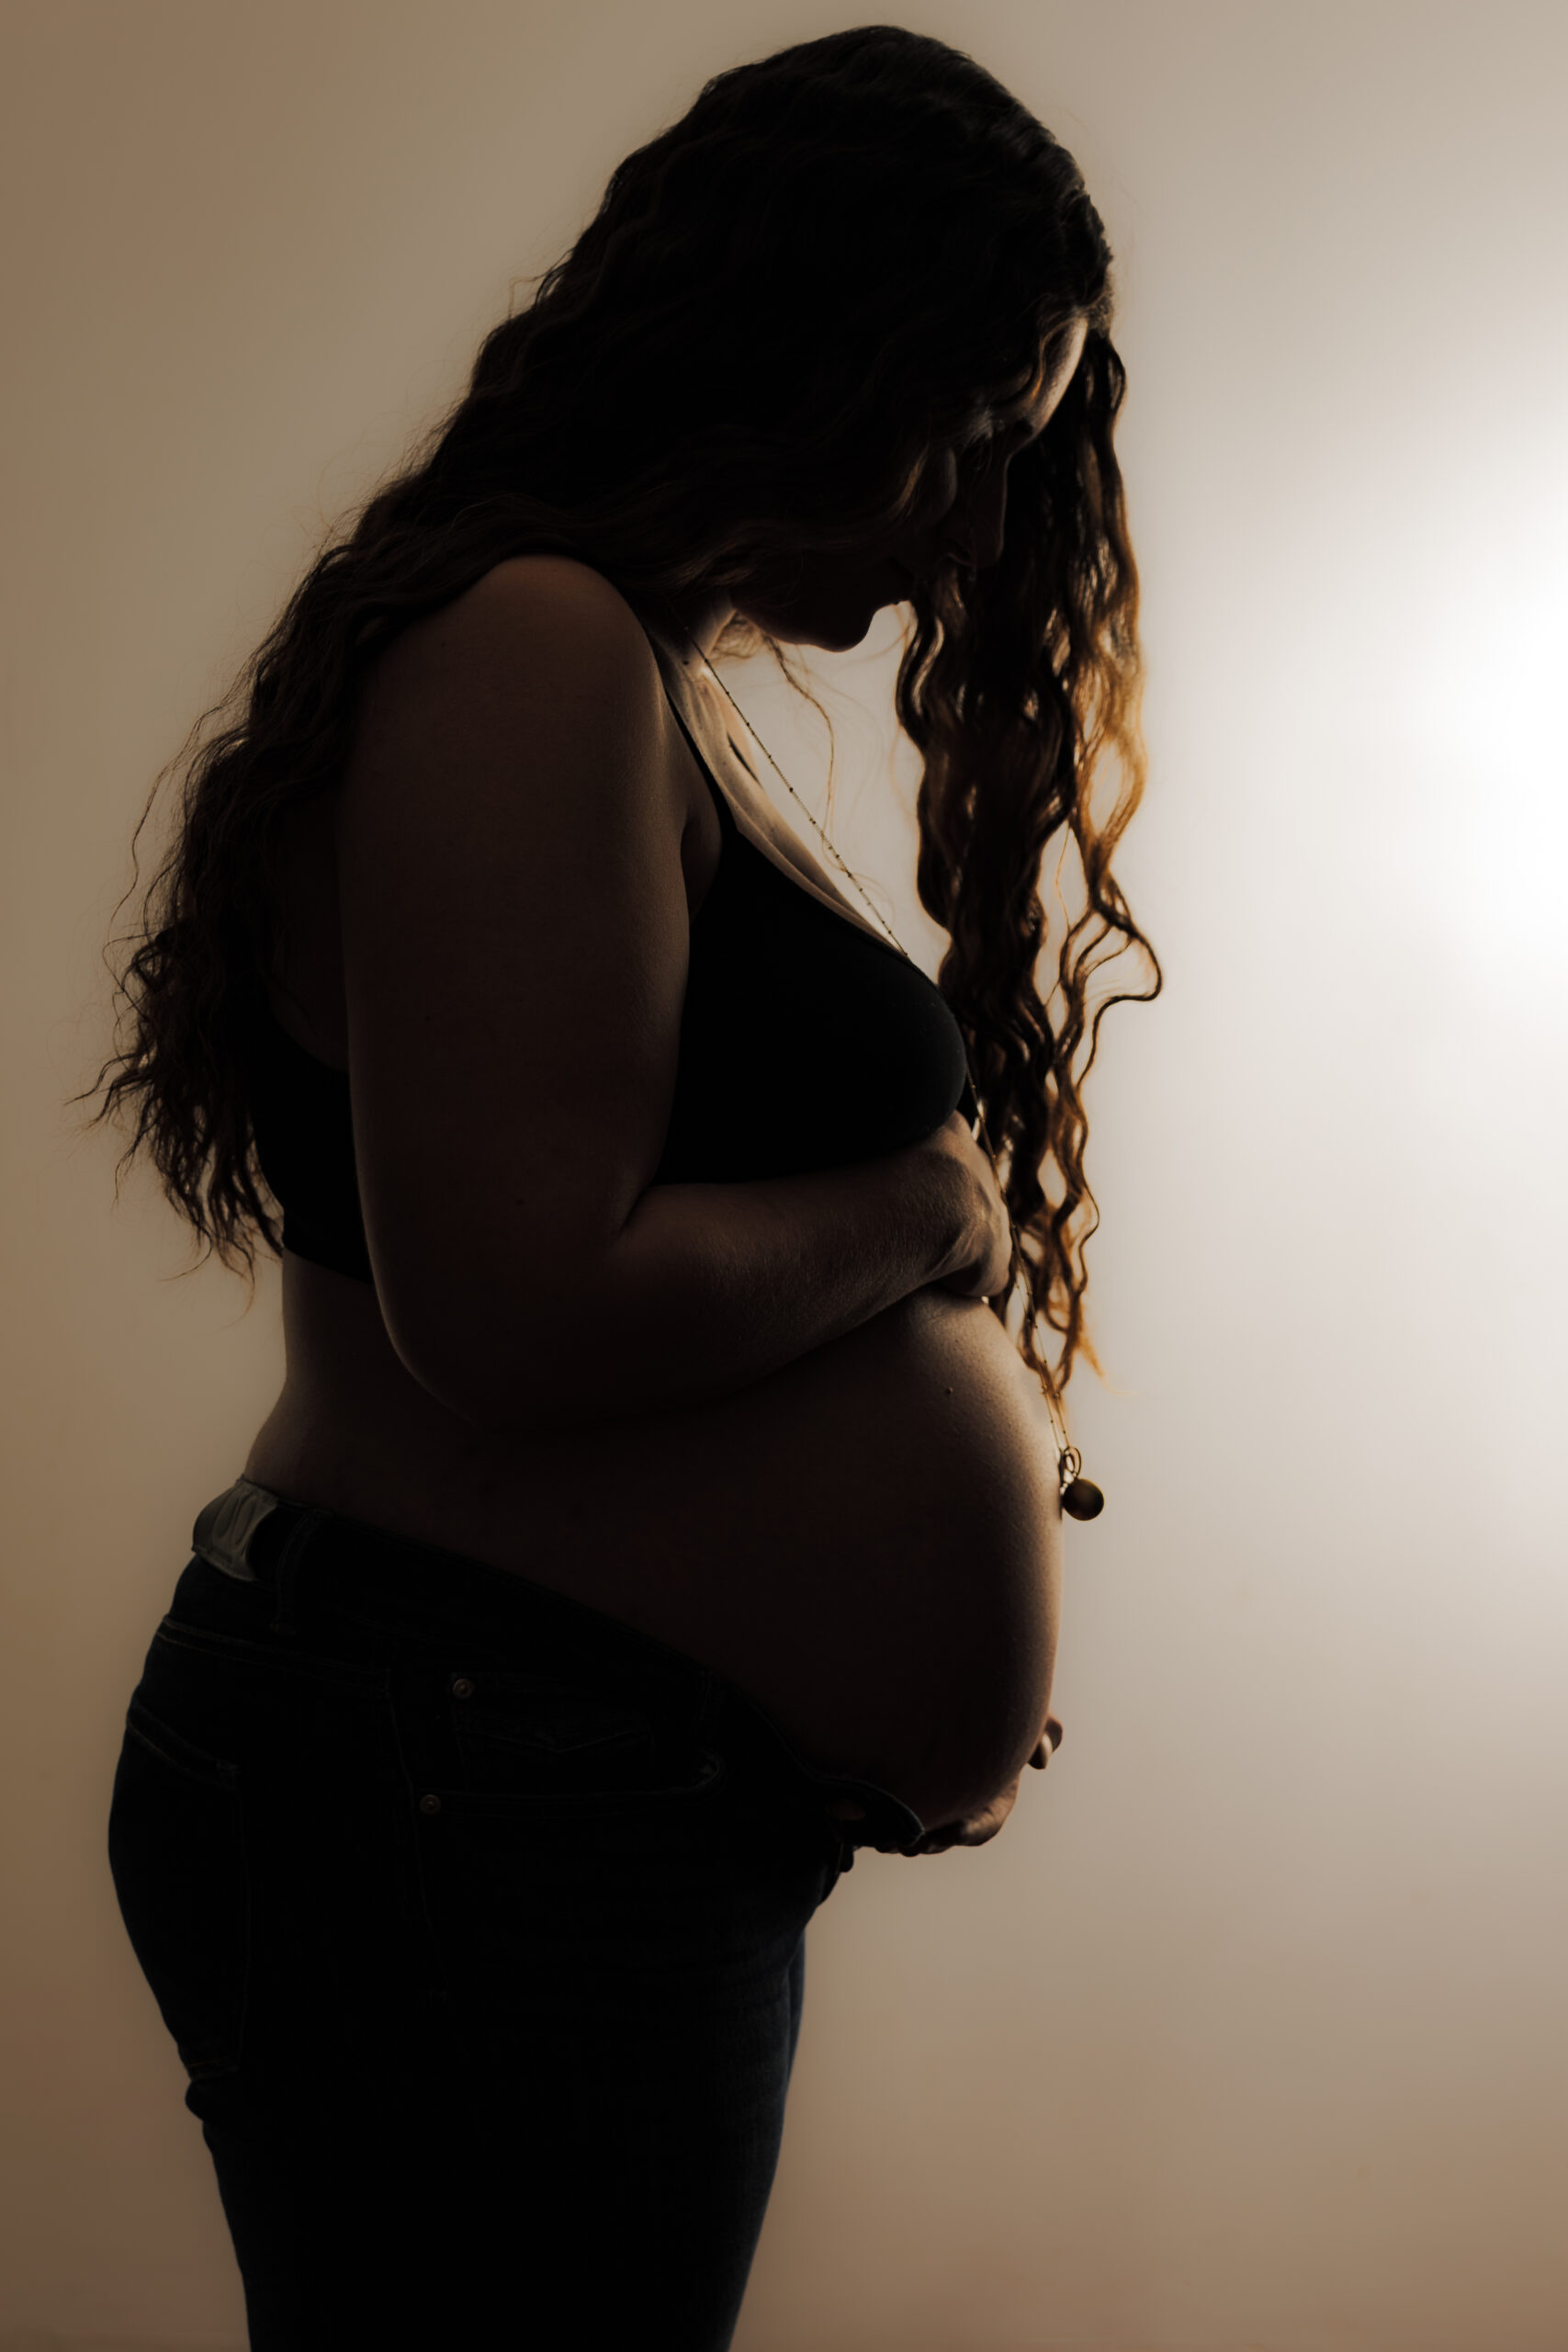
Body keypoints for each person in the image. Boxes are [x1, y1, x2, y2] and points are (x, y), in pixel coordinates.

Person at [83, 24, 1158, 2348]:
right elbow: (520, 1302)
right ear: (804, 344)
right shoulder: (531, 645)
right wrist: (929, 1220)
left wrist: (871, 1635)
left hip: (525, 1777)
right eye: (962, 435)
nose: (976, 533)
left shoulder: (620, 659)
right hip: (463, 1787)